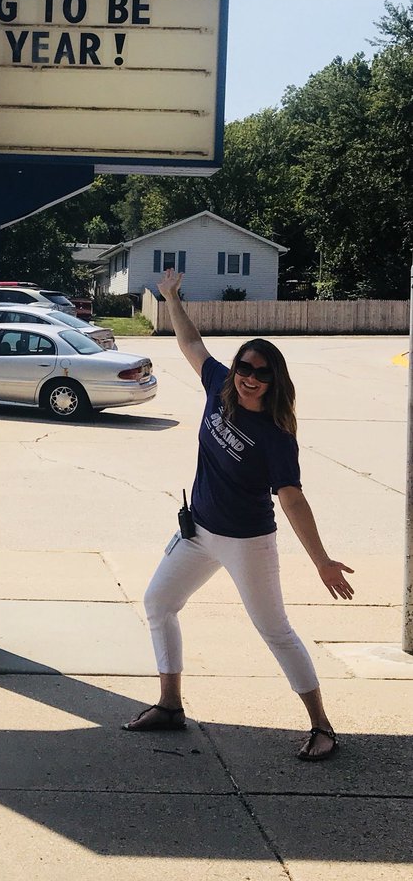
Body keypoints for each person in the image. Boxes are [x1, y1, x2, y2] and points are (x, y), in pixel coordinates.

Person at [123, 269, 354, 761]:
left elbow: (292, 499)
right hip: (198, 532)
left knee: (274, 630)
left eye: (261, 373)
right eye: (244, 368)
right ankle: (170, 705)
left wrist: (322, 561)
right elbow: (191, 344)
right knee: (158, 603)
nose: (250, 378)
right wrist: (171, 299)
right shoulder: (219, 388)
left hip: (248, 542)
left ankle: (323, 727)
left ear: (275, 381)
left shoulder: (275, 436)